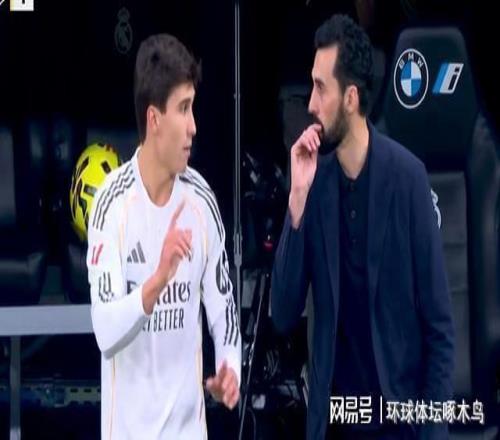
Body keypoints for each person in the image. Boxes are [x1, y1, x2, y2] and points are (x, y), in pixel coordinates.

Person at [271, 14, 454, 440]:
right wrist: (296, 200)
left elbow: (440, 331)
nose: (311, 104)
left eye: (321, 88)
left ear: (350, 98)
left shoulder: (408, 179)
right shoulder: (314, 186)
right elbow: (283, 313)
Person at [86, 34, 241, 439]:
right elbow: (105, 331)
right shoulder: (111, 205)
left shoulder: (201, 201)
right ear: (154, 120)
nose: (194, 126)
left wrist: (230, 367)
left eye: (193, 108)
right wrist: (157, 280)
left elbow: (224, 311)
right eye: (183, 109)